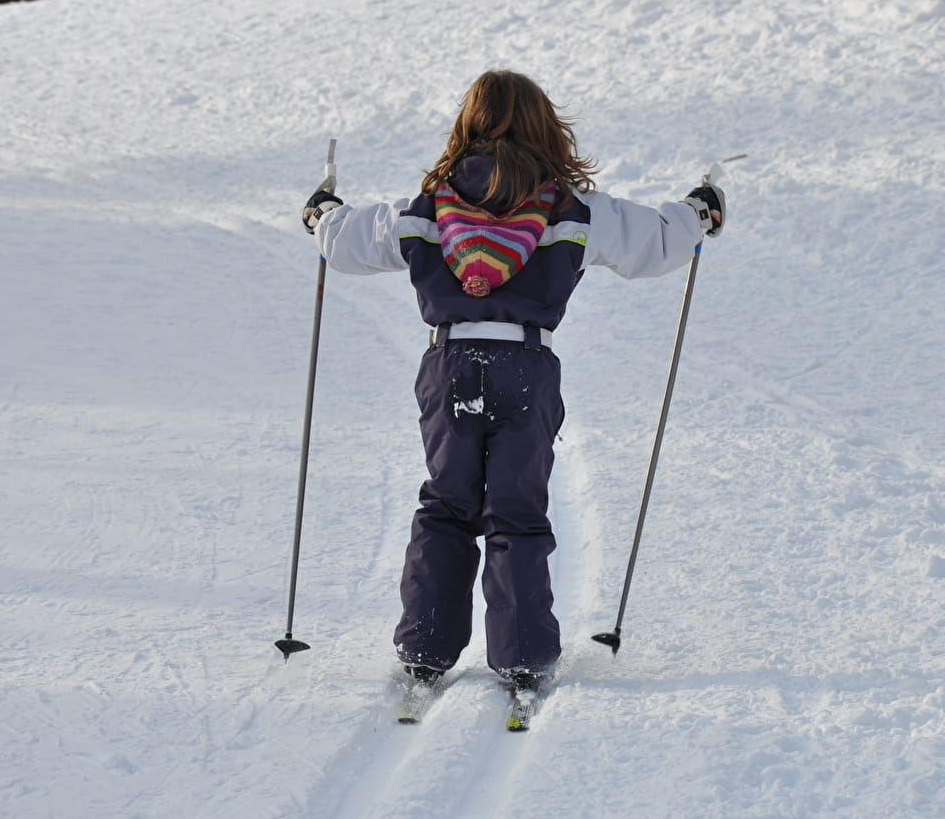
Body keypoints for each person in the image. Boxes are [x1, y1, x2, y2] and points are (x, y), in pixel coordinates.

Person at [301, 70, 725, 696]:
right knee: (517, 510)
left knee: (447, 504)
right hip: (525, 365)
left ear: (467, 124)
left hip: (449, 366)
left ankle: (424, 650)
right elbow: (656, 243)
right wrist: (701, 209)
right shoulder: (573, 209)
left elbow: (348, 241)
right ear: (543, 126)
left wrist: (322, 213)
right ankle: (523, 655)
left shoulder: (427, 207)